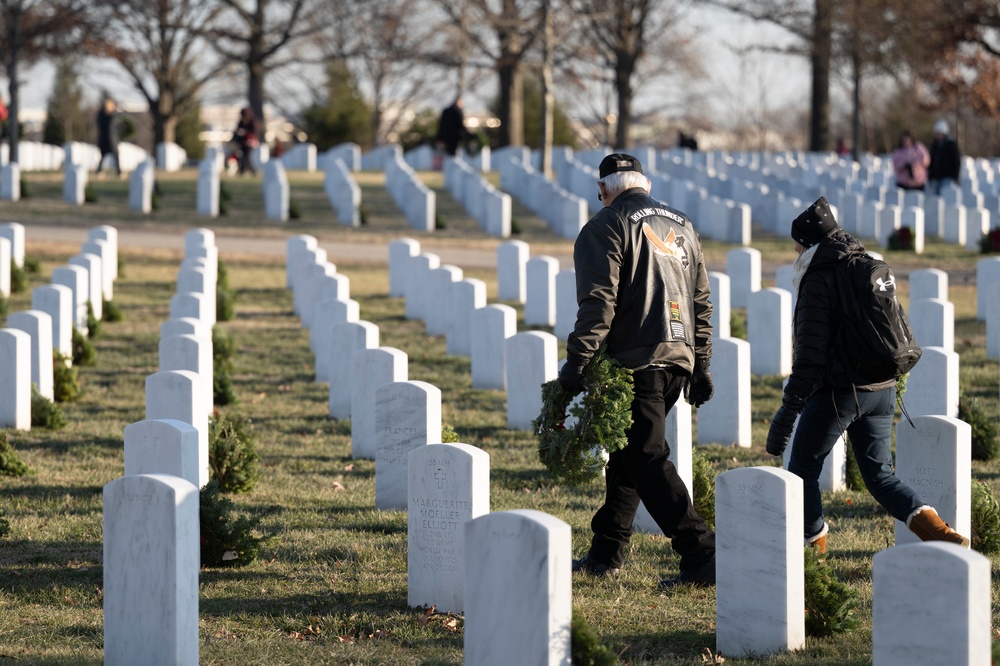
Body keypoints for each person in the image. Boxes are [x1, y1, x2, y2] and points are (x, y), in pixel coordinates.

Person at [765, 197, 970, 554]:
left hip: (839, 392)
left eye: (797, 243)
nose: (795, 250)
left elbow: (810, 357)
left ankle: (814, 558)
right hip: (882, 388)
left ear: (808, 243)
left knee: (802, 470)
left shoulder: (819, 277)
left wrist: (788, 411)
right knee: (880, 476)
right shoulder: (864, 263)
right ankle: (941, 534)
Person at [560, 153, 717, 589]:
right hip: (677, 356)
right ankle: (606, 552)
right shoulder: (683, 224)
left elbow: (598, 303)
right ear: (645, 184)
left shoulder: (607, 223)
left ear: (603, 189)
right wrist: (700, 363)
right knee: (629, 458)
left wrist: (578, 362)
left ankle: (702, 553)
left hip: (638, 356)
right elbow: (700, 301)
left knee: (646, 458)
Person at [927, 119, 961, 195]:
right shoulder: (935, 146)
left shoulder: (951, 145)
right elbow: (932, 161)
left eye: (940, 133)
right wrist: (931, 176)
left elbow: (956, 161)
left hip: (947, 177)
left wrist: (955, 176)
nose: (938, 135)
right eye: (937, 133)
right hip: (937, 178)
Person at [96, 96, 121, 177]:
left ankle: (118, 172)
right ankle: (100, 171)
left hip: (110, 139)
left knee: (115, 156)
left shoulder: (112, 115)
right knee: (105, 156)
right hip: (107, 139)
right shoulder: (104, 115)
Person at [232, 106, 261, 176]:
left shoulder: (251, 122)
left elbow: (254, 132)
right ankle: (242, 170)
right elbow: (236, 132)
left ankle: (251, 171)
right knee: (242, 157)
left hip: (250, 143)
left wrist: (245, 132)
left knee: (247, 157)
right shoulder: (241, 122)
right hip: (242, 143)